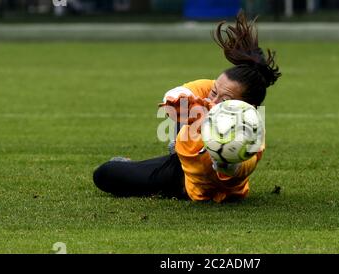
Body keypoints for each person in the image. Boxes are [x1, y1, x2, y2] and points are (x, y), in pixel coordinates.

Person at [93, 11, 281, 203]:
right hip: (182, 166)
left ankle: (157, 160)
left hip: (188, 184)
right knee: (102, 174)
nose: (213, 101)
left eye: (224, 100)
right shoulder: (212, 91)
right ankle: (176, 150)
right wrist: (192, 109)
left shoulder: (251, 135)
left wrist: (223, 159)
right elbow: (172, 96)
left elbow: (239, 168)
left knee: (107, 173)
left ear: (248, 107)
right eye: (214, 92)